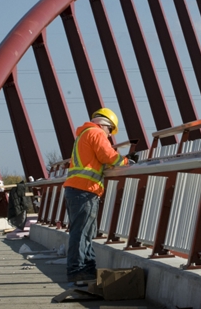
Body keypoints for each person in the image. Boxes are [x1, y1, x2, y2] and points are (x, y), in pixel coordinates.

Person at [63, 108, 133, 284]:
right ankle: (78, 270)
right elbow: (107, 155)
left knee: (84, 232)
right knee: (82, 233)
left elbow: (95, 160)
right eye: (110, 131)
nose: (109, 136)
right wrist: (126, 161)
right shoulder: (96, 133)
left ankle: (87, 270)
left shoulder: (84, 134)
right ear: (105, 124)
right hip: (84, 191)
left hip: (78, 190)